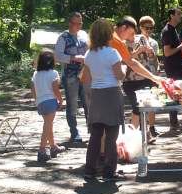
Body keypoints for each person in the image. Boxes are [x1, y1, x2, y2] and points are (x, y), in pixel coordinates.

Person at [79, 18, 128, 181]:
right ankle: (109, 171)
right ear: (108, 34)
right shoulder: (112, 53)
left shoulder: (89, 54)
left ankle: (90, 170)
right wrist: (124, 69)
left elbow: (84, 78)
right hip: (111, 94)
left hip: (96, 95)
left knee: (95, 135)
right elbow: (119, 75)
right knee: (111, 136)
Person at [53, 11, 89, 145]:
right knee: (72, 104)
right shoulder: (63, 37)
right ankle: (75, 133)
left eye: (80, 23)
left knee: (88, 103)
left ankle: (92, 131)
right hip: (70, 76)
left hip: (86, 74)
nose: (78, 26)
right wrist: (73, 58)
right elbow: (57, 56)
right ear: (70, 23)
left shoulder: (84, 35)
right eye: (76, 23)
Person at [127, 15, 161, 139]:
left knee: (147, 105)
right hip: (130, 80)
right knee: (137, 108)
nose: (149, 30)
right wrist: (138, 51)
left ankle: (146, 131)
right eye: (147, 28)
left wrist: (150, 53)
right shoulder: (121, 42)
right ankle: (133, 136)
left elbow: (152, 59)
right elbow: (126, 60)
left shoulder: (141, 38)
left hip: (146, 77)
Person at [31, 50, 64, 163]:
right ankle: (41, 150)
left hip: (40, 102)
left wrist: (37, 101)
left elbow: (32, 88)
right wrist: (60, 100)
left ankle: (53, 147)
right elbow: (55, 89)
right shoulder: (53, 73)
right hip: (50, 101)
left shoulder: (36, 74)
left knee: (48, 125)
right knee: (47, 125)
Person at [160, 8, 182, 130]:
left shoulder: (173, 30)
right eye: (178, 14)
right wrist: (181, 46)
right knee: (174, 93)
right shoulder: (167, 31)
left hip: (178, 66)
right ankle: (174, 122)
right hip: (173, 68)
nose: (180, 16)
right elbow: (167, 53)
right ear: (171, 16)